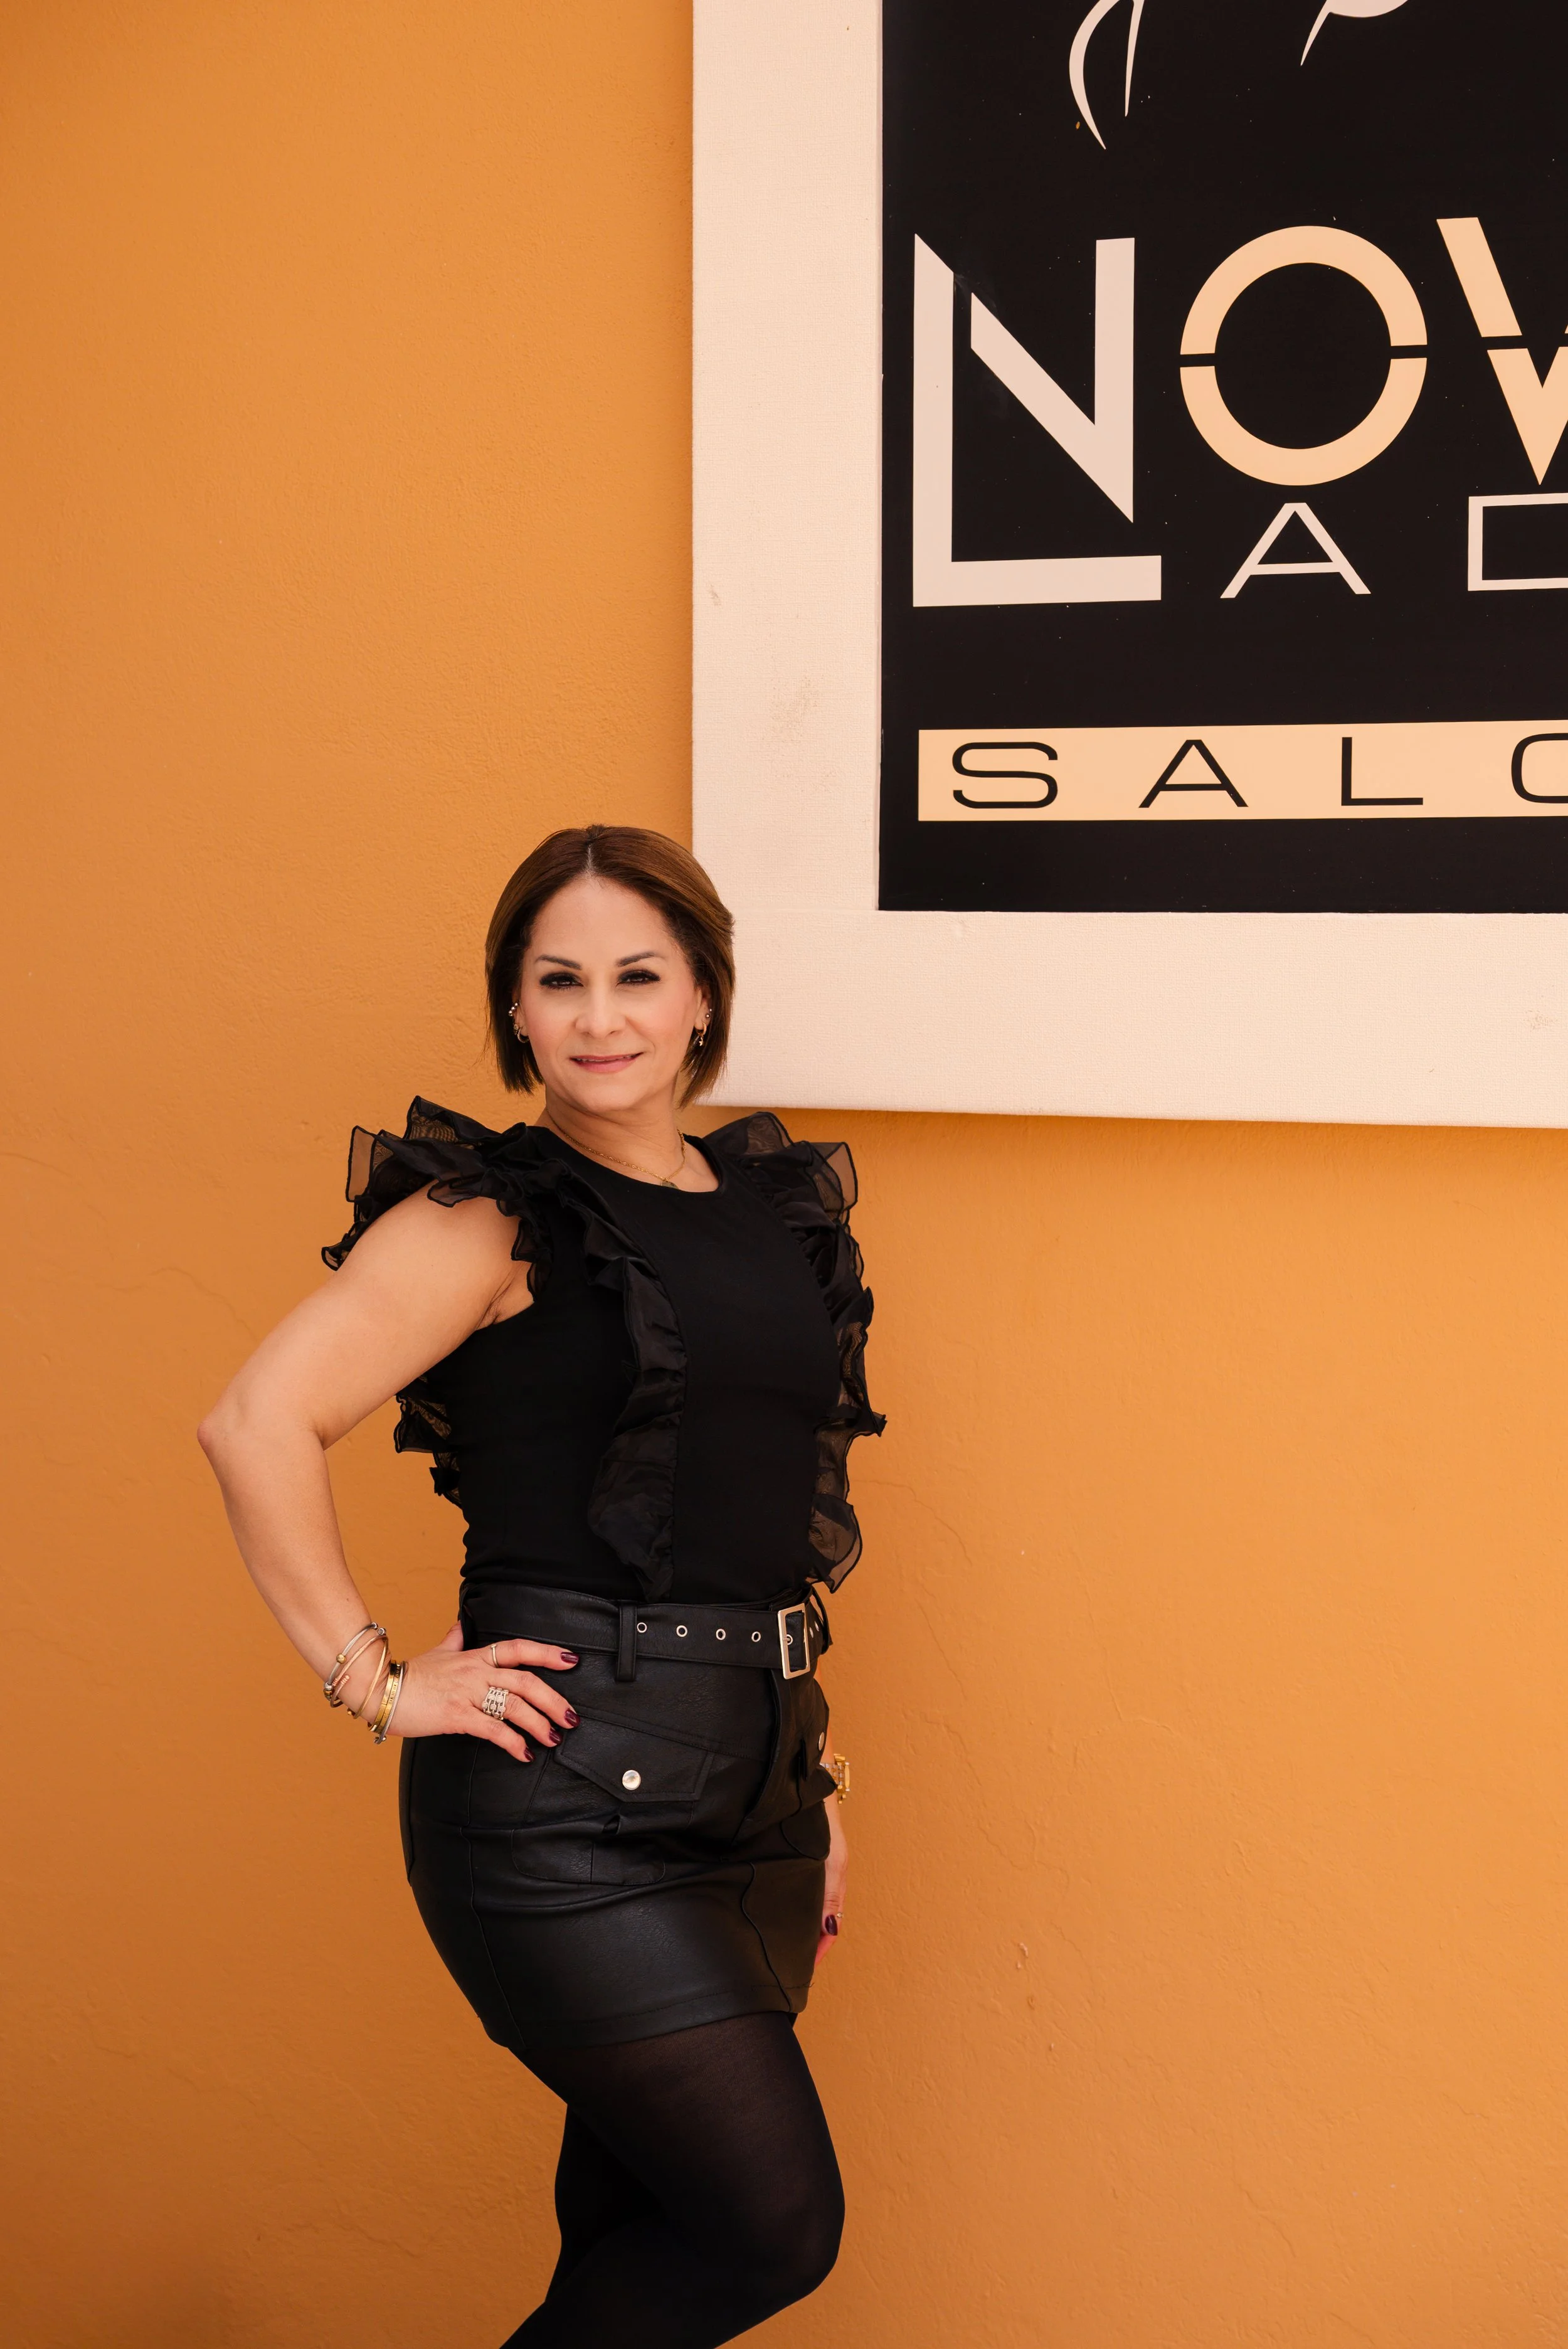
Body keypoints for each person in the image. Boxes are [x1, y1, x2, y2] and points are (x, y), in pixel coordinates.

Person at [198, 824, 884, 2347]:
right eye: (556, 980)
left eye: (638, 976)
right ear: (512, 1008)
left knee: (634, 2246)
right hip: (564, 1801)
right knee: (771, 2230)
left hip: (750, 1789)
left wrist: (809, 1768)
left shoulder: (765, 1207)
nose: (600, 1017)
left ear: (702, 995)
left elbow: (754, 1510)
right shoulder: (487, 1216)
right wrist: (374, 1679)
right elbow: (255, 1424)